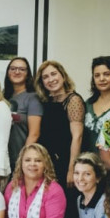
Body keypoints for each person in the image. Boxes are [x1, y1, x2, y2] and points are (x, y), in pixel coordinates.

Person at [35, 60, 84, 188]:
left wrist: (72, 169)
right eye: (45, 77)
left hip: (65, 163)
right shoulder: (45, 101)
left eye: (54, 74)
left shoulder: (73, 100)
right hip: (47, 163)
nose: (51, 79)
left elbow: (77, 137)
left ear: (62, 75)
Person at [3, 57, 43, 168]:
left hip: (20, 160)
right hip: (4, 159)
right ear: (8, 72)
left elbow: (34, 134)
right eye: (13, 68)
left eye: (22, 69)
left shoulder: (33, 98)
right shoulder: (3, 96)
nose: (17, 72)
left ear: (27, 74)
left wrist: (23, 159)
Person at [83, 56, 110, 153]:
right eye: (97, 75)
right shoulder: (87, 104)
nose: (101, 79)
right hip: (87, 159)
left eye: (106, 74)